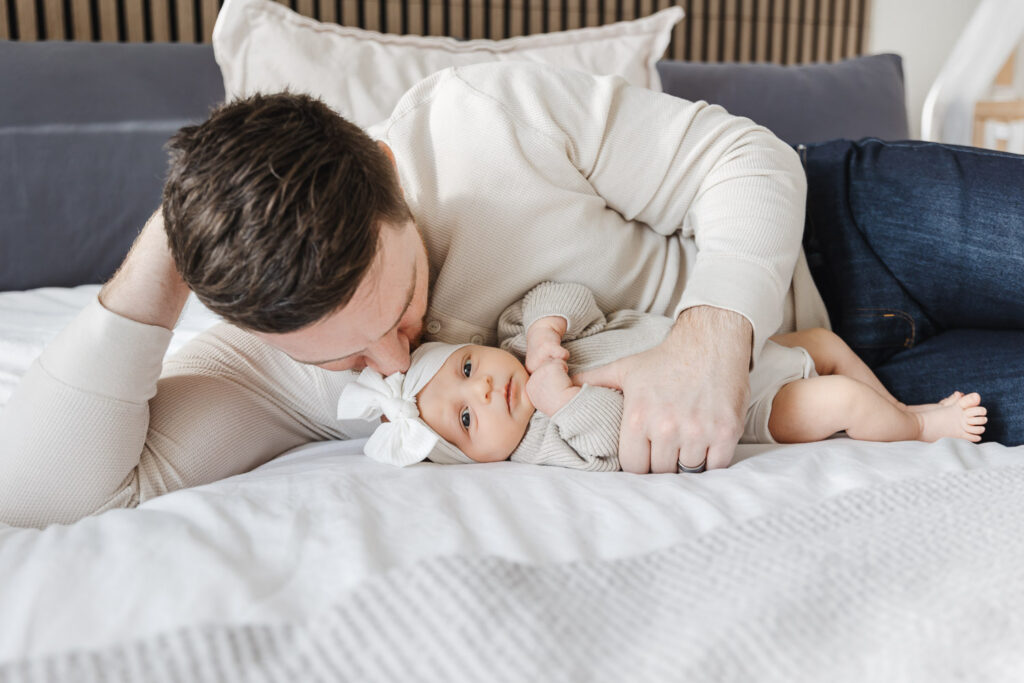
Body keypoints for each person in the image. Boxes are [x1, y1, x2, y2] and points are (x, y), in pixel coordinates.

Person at [337, 282, 987, 471]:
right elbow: (613, 443)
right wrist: (562, 399)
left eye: (469, 368)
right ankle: (921, 424)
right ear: (474, 456)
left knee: (821, 340)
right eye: (468, 418)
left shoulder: (522, 340)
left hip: (738, 353)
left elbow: (564, 294)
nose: (482, 389)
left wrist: (544, 334)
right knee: (838, 398)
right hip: (758, 406)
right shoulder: (546, 443)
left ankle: (896, 406)